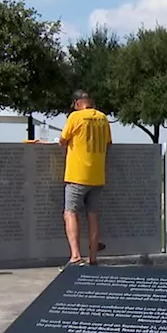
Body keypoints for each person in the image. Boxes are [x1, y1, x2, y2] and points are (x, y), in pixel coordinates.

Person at [59, 89, 112, 267]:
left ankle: (75, 256)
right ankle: (93, 258)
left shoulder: (75, 117)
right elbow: (108, 143)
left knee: (70, 213)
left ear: (77, 103)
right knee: (93, 215)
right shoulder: (103, 118)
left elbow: (63, 139)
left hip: (77, 174)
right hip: (97, 176)